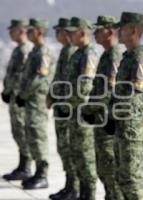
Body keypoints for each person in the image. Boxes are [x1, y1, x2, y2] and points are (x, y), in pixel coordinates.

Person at [112, 12, 143, 199]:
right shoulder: (128, 57)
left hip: (132, 127)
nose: (118, 32)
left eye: (122, 28)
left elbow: (133, 96)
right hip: (122, 124)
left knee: (131, 177)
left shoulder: (140, 59)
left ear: (134, 30)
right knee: (122, 177)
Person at [81, 15, 123, 200]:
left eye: (99, 30)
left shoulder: (114, 55)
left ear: (111, 31)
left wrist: (89, 108)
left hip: (108, 121)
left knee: (110, 167)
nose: (95, 33)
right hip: (101, 118)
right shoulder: (106, 54)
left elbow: (109, 91)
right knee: (103, 168)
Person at [59, 17, 99, 200]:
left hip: (83, 113)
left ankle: (89, 194)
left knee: (85, 156)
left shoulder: (89, 54)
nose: (68, 35)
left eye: (72, 32)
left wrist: (67, 103)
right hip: (74, 113)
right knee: (76, 154)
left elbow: (84, 88)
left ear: (83, 33)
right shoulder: (77, 53)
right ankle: (80, 192)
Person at [16, 18, 55, 189]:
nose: (28, 33)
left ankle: (42, 174)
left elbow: (40, 78)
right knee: (30, 134)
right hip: (30, 101)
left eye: (31, 30)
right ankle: (35, 172)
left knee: (38, 136)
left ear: (39, 32)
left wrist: (23, 94)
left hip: (37, 100)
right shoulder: (35, 51)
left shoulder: (44, 52)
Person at [47, 18, 79, 200]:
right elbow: (58, 79)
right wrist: (52, 97)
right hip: (61, 107)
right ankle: (69, 184)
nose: (57, 34)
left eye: (59, 31)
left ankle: (74, 187)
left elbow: (72, 85)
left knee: (69, 148)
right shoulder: (65, 52)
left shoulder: (72, 52)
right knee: (63, 148)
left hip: (68, 110)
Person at [1, 19, 33, 181]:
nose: (10, 34)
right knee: (17, 131)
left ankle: (26, 167)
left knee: (22, 131)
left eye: (12, 30)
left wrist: (9, 90)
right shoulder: (18, 50)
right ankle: (22, 165)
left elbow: (21, 75)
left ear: (21, 31)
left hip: (20, 97)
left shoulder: (25, 50)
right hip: (14, 96)